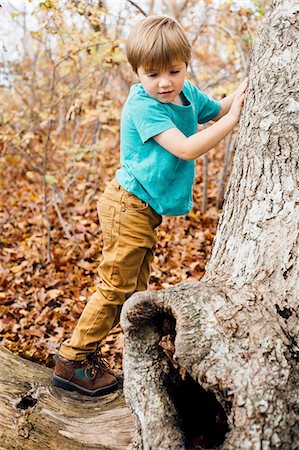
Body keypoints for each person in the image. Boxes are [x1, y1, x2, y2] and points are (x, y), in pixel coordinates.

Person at [52, 15, 247, 396]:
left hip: (143, 210)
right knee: (115, 289)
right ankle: (72, 361)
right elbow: (187, 147)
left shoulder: (186, 93)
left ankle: (93, 356)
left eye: (173, 71)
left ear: (185, 65)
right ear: (137, 71)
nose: (164, 82)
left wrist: (242, 93)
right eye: (152, 73)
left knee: (133, 291)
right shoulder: (144, 106)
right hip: (128, 205)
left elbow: (215, 109)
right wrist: (236, 121)